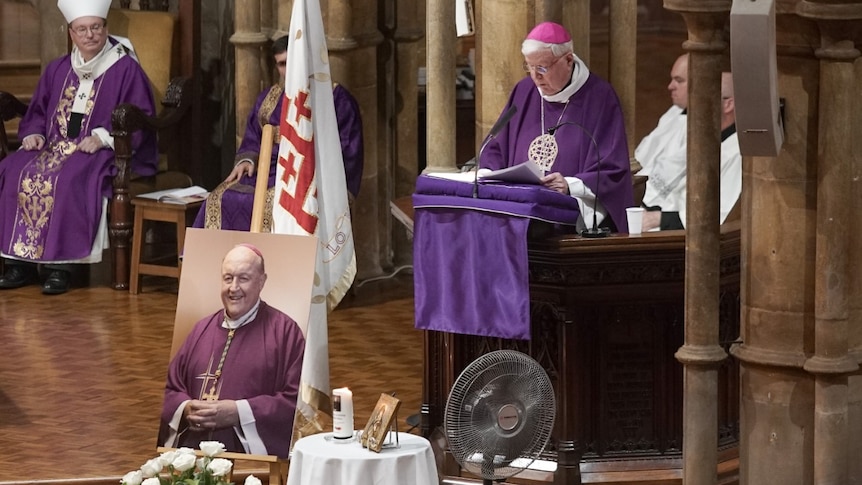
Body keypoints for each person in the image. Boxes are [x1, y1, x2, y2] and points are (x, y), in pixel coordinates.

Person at [0, 0, 157, 295]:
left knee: (69, 178)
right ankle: (18, 263)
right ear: (72, 34)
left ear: (105, 28)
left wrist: (104, 137)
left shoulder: (125, 69)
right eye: (82, 30)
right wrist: (33, 133)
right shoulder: (58, 68)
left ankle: (62, 267)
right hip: (54, 145)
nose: (90, 35)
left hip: (102, 151)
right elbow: (36, 110)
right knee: (11, 169)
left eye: (95, 28)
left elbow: (141, 116)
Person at [193, 35, 364, 231]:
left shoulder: (336, 99)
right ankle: (225, 261)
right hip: (268, 170)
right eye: (282, 64)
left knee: (270, 205)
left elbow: (348, 147)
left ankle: (264, 261)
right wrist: (246, 160)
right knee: (218, 199)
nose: (287, 69)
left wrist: (318, 177)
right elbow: (252, 135)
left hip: (309, 176)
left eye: (292, 62)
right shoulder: (269, 97)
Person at [478, 21, 633, 233]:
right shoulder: (524, 92)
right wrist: (489, 174)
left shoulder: (599, 96)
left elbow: (612, 168)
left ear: (568, 60)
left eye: (542, 67)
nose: (535, 76)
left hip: (570, 212)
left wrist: (570, 185)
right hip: (519, 207)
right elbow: (495, 147)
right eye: (529, 67)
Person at [158, 243, 305, 459]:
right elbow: (170, 389)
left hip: (248, 461)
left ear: (262, 282)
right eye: (228, 278)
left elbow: (296, 402)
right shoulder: (201, 329)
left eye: (243, 279)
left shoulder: (285, 331)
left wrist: (239, 413)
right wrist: (186, 408)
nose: (233, 288)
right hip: (191, 457)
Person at [639, 70, 741, 231]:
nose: (694, 106)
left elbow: (721, 213)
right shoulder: (704, 137)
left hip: (684, 238)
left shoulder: (737, 152)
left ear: (728, 104)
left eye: (703, 100)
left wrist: (658, 219)